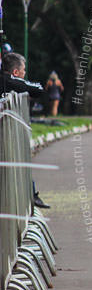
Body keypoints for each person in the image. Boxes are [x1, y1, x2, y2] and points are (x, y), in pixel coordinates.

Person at [1, 52, 50, 209]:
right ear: (15, 72)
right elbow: (39, 89)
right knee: (19, 162)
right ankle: (30, 195)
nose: (24, 74)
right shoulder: (9, 80)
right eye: (23, 71)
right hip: (8, 134)